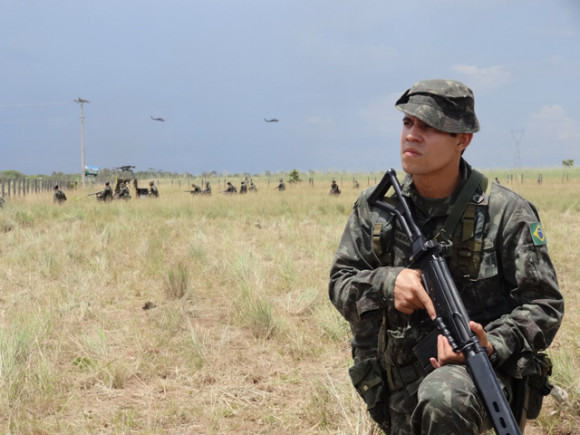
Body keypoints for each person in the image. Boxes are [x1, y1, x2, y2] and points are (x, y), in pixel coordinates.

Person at [328, 79, 564, 434]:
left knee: (444, 396)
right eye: (408, 123)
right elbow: (340, 283)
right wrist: (389, 283)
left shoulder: (506, 212)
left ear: (462, 139)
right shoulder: (377, 208)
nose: (412, 135)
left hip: (478, 378)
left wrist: (491, 344)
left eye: (429, 126)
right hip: (396, 382)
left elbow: (544, 304)